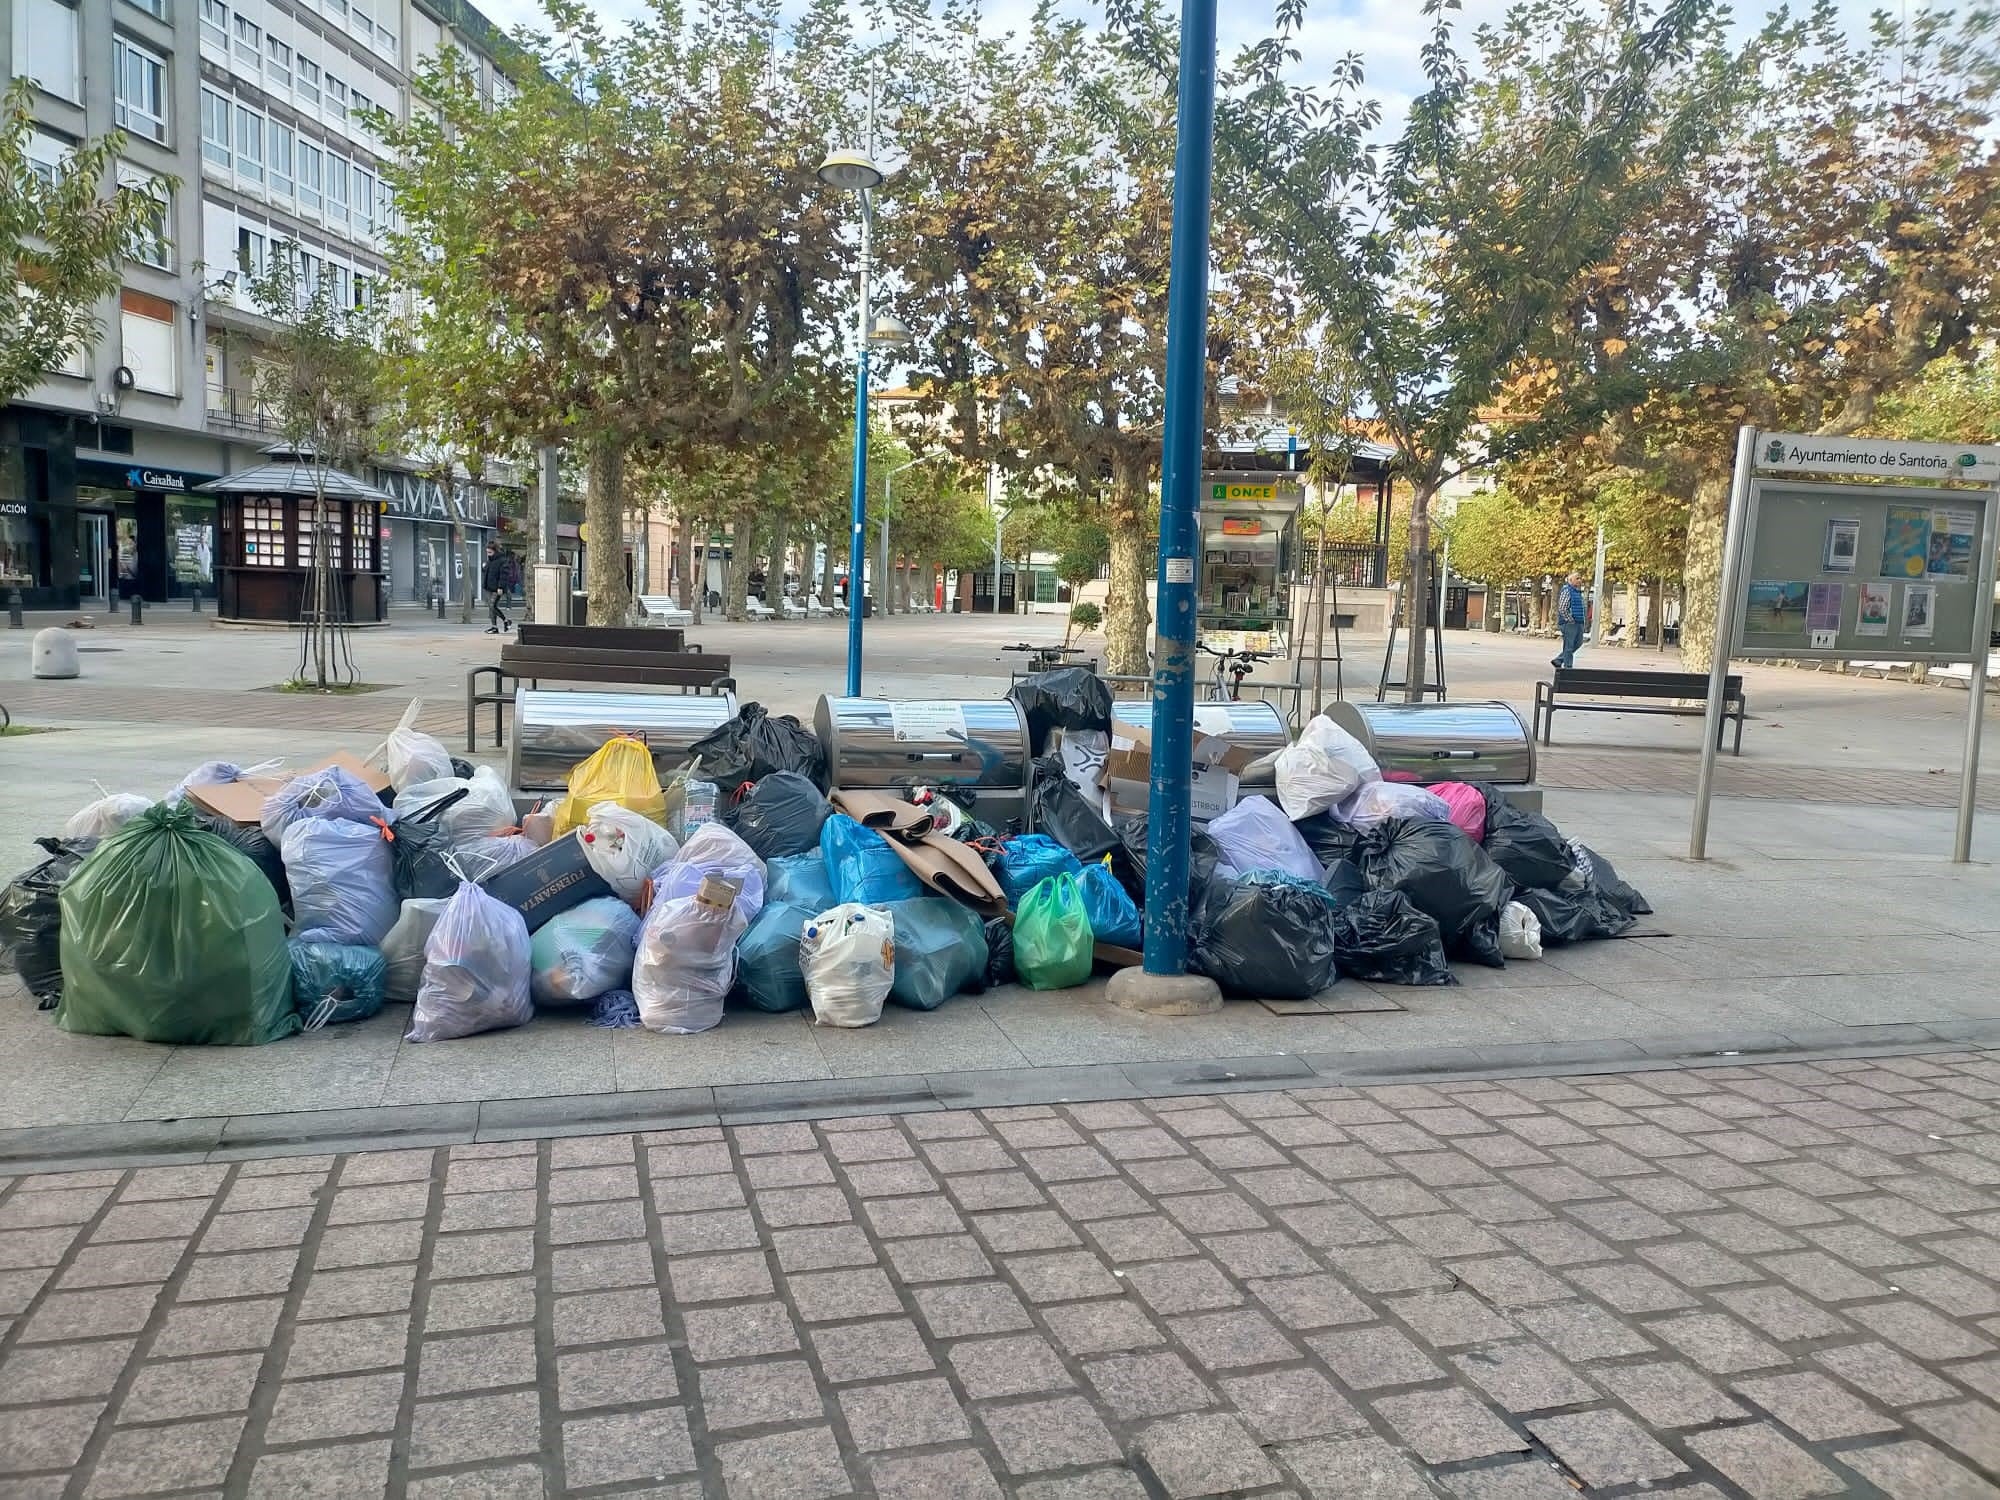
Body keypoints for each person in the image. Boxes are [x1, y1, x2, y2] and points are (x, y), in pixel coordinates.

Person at [1554, 570, 1587, 669]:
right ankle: (1568, 667)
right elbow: (1562, 607)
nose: (1580, 580)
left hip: (1578, 622)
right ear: (1570, 580)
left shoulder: (1577, 592)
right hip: (1569, 623)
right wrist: (1570, 619)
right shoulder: (1567, 590)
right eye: (1577, 578)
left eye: (1580, 578)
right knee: (1569, 645)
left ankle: (1559, 659)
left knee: (1578, 643)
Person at [482, 542, 513, 634]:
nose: (488, 555)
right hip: (488, 586)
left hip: (496, 587)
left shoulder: (502, 560)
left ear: (495, 551)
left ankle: (506, 620)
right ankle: (494, 627)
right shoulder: (489, 561)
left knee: (492, 606)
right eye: (487, 552)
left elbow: (504, 575)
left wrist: (500, 587)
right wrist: (484, 567)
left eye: (490, 552)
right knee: (491, 607)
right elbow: (487, 572)